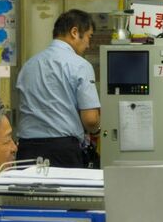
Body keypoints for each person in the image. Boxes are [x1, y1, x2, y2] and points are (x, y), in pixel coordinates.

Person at [16, 9, 101, 168]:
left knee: (28, 193)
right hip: (62, 151)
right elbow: (90, 119)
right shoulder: (80, 65)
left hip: (26, 149)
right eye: (89, 37)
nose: (89, 45)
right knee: (65, 193)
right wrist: (97, 130)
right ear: (75, 32)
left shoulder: (28, 66)